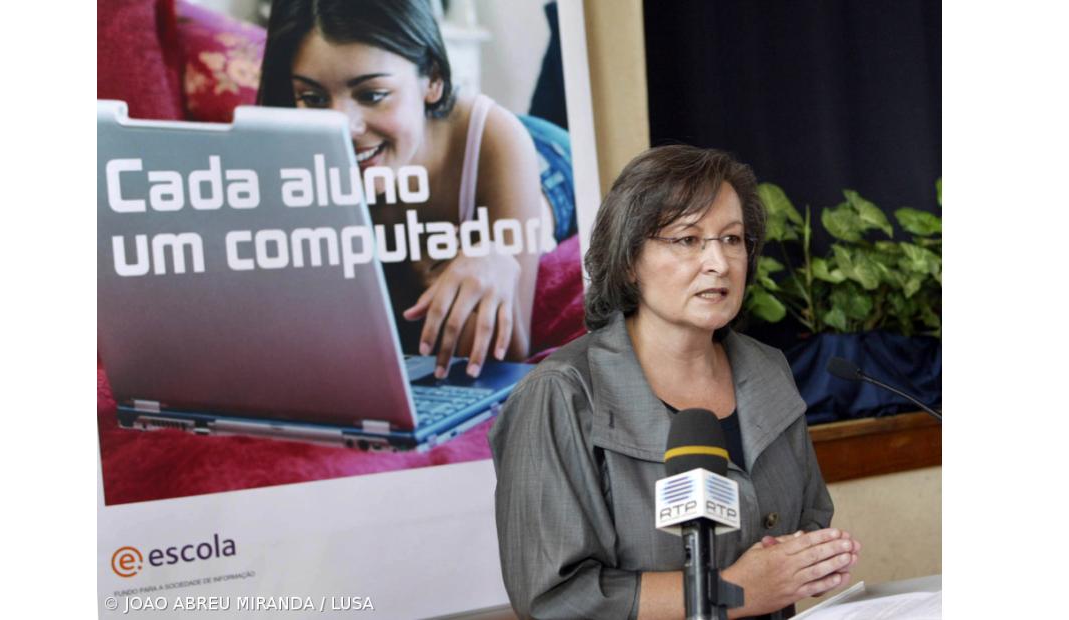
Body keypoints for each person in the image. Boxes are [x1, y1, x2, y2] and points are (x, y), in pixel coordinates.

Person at [489, 146, 861, 619]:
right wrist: (733, 591)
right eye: (687, 240)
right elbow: (553, 599)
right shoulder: (561, 394)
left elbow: (808, 515)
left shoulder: (767, 368)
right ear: (628, 261)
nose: (719, 262)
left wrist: (807, 559)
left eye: (732, 239)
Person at [257, 0, 575, 378]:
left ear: (434, 79)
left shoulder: (494, 137)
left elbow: (510, 348)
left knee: (530, 219)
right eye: (313, 98)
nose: (342, 126)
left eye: (371, 94)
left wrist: (497, 252)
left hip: (543, 158)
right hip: (406, 138)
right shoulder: (286, 145)